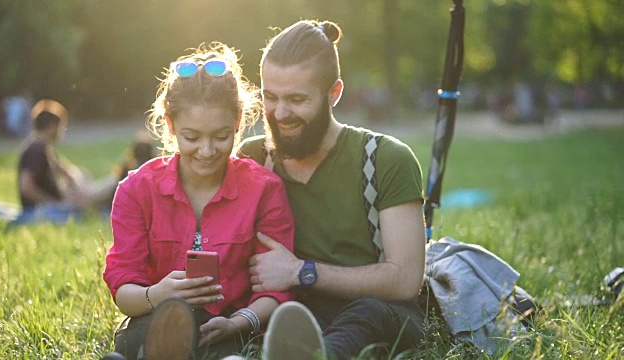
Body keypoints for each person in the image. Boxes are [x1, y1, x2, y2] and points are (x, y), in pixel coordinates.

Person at [236, 20, 427, 360]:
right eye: (270, 97)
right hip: (285, 310)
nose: (280, 113)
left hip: (375, 312)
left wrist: (300, 271)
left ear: (334, 93)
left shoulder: (386, 159)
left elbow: (405, 279)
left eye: (297, 99)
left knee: (367, 314)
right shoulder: (252, 158)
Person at [102, 42, 295, 360]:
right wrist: (158, 294)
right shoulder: (136, 190)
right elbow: (124, 288)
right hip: (155, 319)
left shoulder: (264, 190)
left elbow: (274, 288)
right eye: (192, 137)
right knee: (151, 334)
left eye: (221, 136)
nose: (207, 151)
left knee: (229, 349)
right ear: (170, 126)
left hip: (232, 325)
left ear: (238, 124)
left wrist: (239, 322)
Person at [15, 99, 117, 224]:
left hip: (58, 198)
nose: (62, 132)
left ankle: (113, 186)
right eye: (62, 127)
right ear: (52, 127)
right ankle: (117, 185)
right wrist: (54, 203)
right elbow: (26, 187)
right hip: (44, 208)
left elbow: (65, 169)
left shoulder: (42, 148)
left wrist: (74, 181)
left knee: (83, 175)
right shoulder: (36, 150)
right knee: (110, 187)